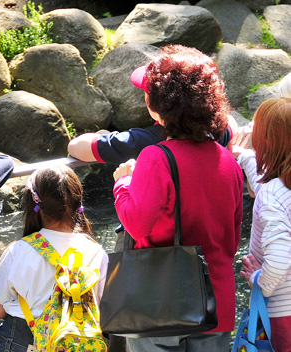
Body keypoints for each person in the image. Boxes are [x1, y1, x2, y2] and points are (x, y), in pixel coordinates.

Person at [112, 44, 243, 351]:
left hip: (162, 304)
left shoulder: (156, 158)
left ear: (159, 105)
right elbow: (232, 240)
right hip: (216, 303)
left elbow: (138, 224)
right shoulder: (227, 162)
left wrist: (123, 184)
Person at [0, 165, 108, 352]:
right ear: (77, 202)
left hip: (20, 342)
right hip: (76, 344)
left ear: (35, 206)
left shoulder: (20, 250)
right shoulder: (97, 253)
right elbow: (102, 312)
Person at [67, 64, 237, 165]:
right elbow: (230, 122)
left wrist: (105, 136)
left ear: (152, 103)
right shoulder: (220, 129)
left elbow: (75, 147)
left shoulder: (143, 142)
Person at [230, 97, 291, 352]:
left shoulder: (272, 195)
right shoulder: (279, 187)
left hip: (282, 313)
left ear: (265, 143)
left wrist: (258, 280)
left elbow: (278, 261)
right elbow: (265, 184)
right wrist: (243, 157)